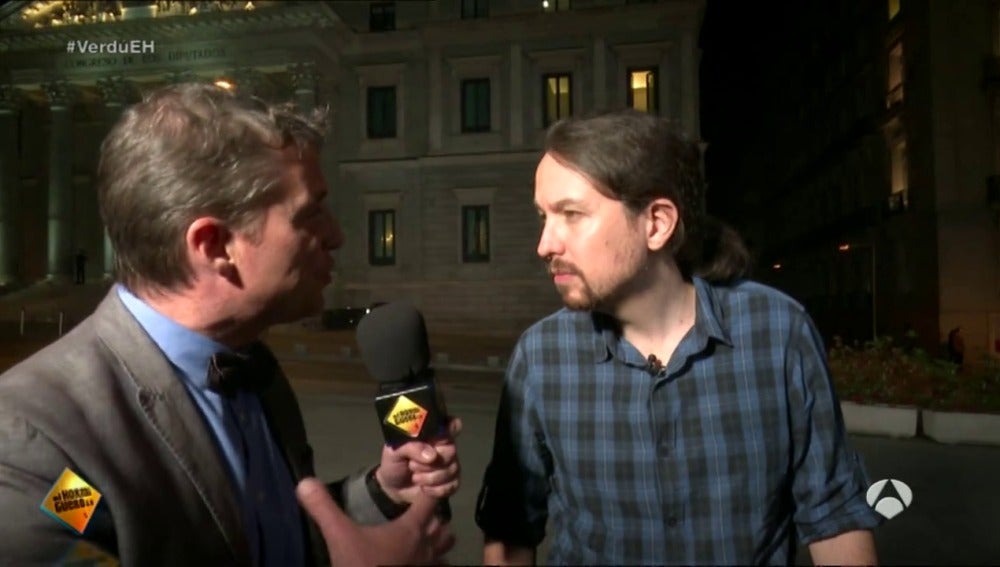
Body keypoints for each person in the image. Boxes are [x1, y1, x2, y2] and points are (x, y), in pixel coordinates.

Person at [0, 83, 459, 566]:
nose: (336, 235)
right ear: (215, 246)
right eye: (310, 214)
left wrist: (382, 491)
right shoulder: (35, 443)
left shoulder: (252, 366)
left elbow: (261, 535)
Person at [475, 109, 881, 565]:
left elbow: (835, 516)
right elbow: (510, 530)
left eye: (571, 214)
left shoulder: (778, 332)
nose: (545, 244)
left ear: (656, 223)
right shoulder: (541, 357)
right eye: (544, 216)